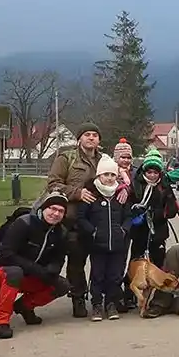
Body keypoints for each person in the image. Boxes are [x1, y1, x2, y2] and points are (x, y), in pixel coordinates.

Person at [0, 192, 70, 339]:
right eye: (52, 208)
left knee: (62, 285)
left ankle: (25, 307)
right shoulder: (24, 223)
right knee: (15, 272)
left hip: (30, 276)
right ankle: (1, 322)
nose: (55, 213)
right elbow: (7, 254)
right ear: (43, 208)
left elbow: (59, 258)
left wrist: (53, 269)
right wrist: (36, 270)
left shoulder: (61, 232)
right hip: (0, 272)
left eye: (61, 211)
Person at [46, 121, 103, 317]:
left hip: (94, 219)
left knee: (96, 259)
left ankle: (99, 296)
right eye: (87, 134)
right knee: (75, 261)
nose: (91, 138)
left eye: (94, 135)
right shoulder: (66, 158)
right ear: (79, 138)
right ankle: (77, 297)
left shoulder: (103, 160)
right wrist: (77, 193)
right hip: (69, 220)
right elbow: (53, 184)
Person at [76, 155, 132, 321]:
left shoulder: (120, 195)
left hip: (117, 244)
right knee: (98, 275)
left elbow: (128, 217)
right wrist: (92, 231)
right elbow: (81, 217)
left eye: (112, 175)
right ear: (99, 176)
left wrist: (123, 231)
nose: (109, 178)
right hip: (97, 245)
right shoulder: (91, 195)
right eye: (105, 175)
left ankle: (111, 303)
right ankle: (97, 304)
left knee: (115, 275)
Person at [122, 147, 179, 310]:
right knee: (135, 263)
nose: (152, 175)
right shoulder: (136, 185)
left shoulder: (164, 186)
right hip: (139, 230)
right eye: (149, 172)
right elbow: (128, 205)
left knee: (158, 263)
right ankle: (129, 294)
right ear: (144, 171)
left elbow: (172, 209)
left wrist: (159, 213)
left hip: (158, 231)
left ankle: (159, 296)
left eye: (156, 172)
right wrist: (135, 211)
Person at [113, 138, 135, 204]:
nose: (126, 160)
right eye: (123, 157)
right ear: (117, 158)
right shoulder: (112, 171)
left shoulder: (134, 172)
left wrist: (127, 189)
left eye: (128, 158)